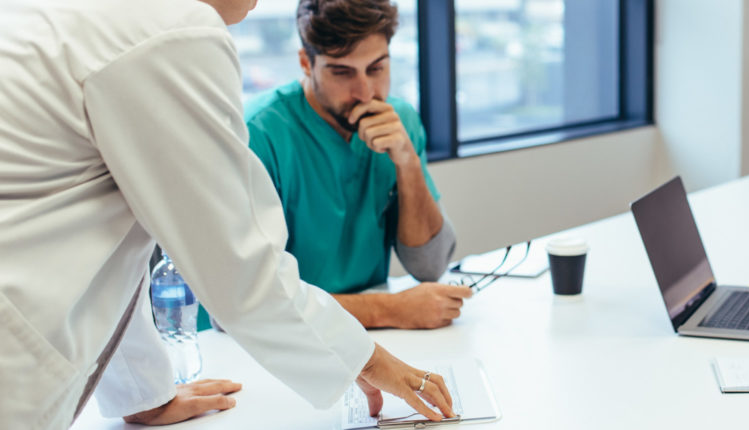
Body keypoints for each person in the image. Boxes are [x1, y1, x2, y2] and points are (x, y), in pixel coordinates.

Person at [0, 0, 455, 427]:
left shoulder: (112, 19)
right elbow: (240, 270)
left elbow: (114, 242)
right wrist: (369, 359)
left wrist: (142, 395)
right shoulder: (173, 32)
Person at [236, 0, 467, 331]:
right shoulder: (256, 135)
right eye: (342, 72)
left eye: (376, 68)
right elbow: (246, 304)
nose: (365, 93)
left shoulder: (399, 120)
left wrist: (407, 163)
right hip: (265, 349)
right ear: (306, 62)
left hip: (365, 342)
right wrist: (388, 309)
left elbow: (430, 266)